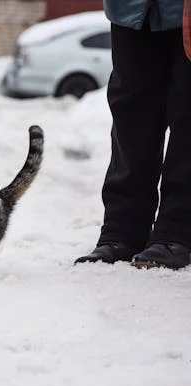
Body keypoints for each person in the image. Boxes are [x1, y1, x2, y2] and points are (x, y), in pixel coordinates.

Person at [76, 0, 191, 269]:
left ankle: (177, 231)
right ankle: (122, 231)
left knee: (187, 111)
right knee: (131, 111)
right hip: (131, 10)